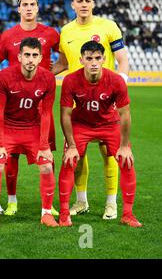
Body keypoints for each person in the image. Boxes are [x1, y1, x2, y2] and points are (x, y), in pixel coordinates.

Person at [52, 0, 130, 220]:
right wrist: (40, 74)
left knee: (109, 153)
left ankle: (111, 203)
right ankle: (81, 201)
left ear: (93, 4)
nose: (84, 4)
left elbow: (122, 58)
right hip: (77, 101)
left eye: (88, 0)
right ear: (72, 5)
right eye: (79, 1)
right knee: (77, 154)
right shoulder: (65, 30)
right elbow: (62, 63)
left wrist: (121, 86)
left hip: (106, 99)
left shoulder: (108, 26)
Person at [58, 40, 141, 228]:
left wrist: (125, 145)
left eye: (97, 58)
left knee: (126, 160)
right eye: (89, 58)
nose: (93, 62)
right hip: (81, 124)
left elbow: (125, 114)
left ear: (104, 59)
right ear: (81, 60)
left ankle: (127, 213)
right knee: (68, 160)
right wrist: (71, 146)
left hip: (109, 124)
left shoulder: (116, 80)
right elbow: (65, 114)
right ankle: (64, 215)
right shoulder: (70, 80)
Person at [0, 0, 60, 217]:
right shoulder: (8, 35)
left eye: (33, 4)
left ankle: (48, 205)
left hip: (40, 106)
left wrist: (47, 75)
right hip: (13, 104)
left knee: (47, 153)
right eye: (25, 5)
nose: (29, 8)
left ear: (38, 8)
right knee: (10, 158)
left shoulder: (50, 33)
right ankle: (12, 200)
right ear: (19, 9)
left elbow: (66, 59)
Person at [0, 37, 57, 228]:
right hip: (8, 128)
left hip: (32, 129)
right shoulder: (4, 76)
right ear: (19, 56)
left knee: (47, 166)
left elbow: (46, 114)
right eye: (27, 55)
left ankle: (46, 213)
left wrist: (44, 146)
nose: (30, 59)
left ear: (41, 58)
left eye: (35, 55)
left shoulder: (48, 78)